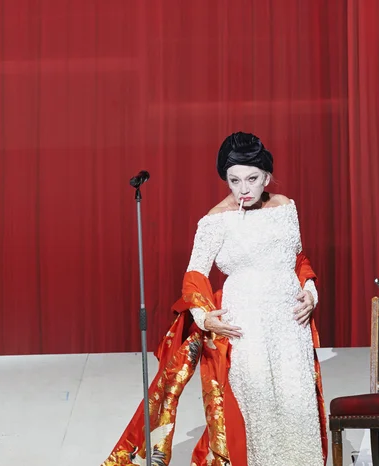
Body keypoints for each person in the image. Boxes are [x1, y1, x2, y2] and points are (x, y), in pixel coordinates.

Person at [103, 132, 327, 466]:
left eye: (252, 179)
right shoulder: (215, 221)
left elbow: (297, 258)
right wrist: (204, 316)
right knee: (256, 410)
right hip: (245, 325)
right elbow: (194, 274)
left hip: (289, 324)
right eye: (234, 180)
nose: (244, 189)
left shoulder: (285, 207)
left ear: (267, 176)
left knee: (298, 406)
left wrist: (311, 292)